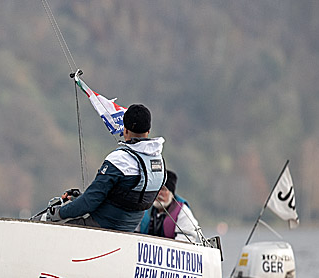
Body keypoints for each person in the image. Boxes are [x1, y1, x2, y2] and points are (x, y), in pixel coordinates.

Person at [46, 103, 166, 232]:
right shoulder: (159, 163)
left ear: (124, 130)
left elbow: (89, 202)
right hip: (129, 231)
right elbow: (124, 198)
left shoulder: (120, 159)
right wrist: (79, 198)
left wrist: (58, 212)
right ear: (148, 131)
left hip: (100, 227)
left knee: (46, 222)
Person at [141, 169, 205, 244]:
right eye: (157, 189)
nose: (159, 193)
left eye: (163, 190)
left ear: (171, 194)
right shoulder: (144, 208)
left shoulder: (182, 211)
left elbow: (188, 238)